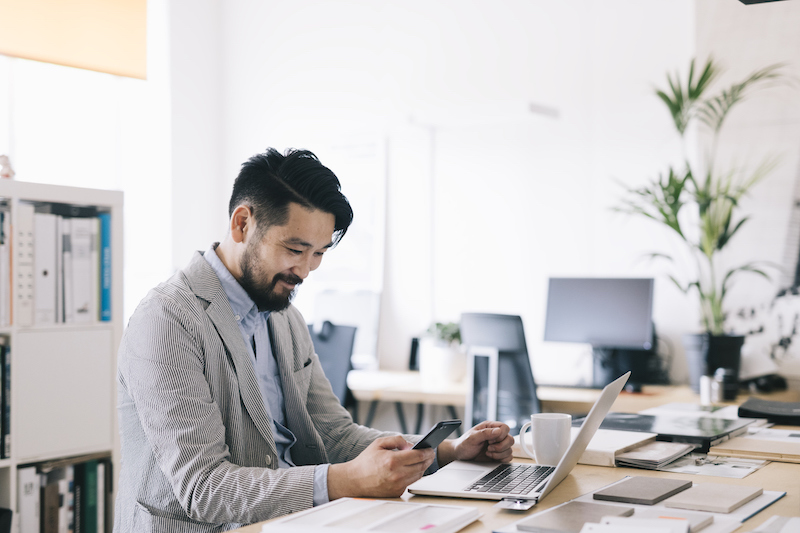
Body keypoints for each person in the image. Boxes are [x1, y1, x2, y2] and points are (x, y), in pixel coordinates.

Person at [114, 148, 514, 533]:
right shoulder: (167, 320)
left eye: (319, 253)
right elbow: (204, 488)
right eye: (294, 249)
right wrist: (343, 481)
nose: (305, 270)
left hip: (297, 522)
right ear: (242, 224)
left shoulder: (285, 317)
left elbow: (334, 434)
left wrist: (445, 452)